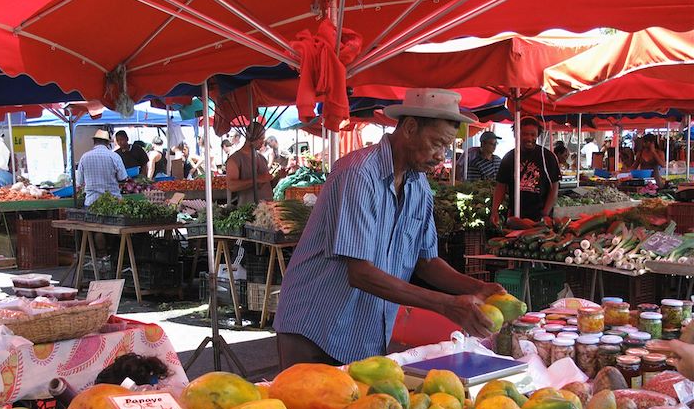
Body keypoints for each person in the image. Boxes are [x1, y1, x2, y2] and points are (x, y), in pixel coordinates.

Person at [273, 89, 506, 367]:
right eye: (435, 143)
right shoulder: (358, 174)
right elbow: (360, 273)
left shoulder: (419, 187)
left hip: (363, 332)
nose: (440, 156)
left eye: (445, 147)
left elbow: (427, 261)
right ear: (409, 128)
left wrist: (477, 288)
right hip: (314, 326)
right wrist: (446, 305)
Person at [491, 117, 561, 225]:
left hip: (541, 216)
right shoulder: (509, 157)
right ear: (516, 134)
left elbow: (554, 186)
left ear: (537, 135)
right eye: (524, 134)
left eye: (533, 134)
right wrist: (494, 210)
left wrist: (545, 213)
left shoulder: (548, 157)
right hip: (515, 216)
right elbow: (501, 186)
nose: (529, 138)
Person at [226, 122, 275, 206]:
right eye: (260, 139)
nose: (263, 142)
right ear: (251, 138)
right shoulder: (234, 159)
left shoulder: (262, 158)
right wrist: (257, 179)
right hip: (248, 210)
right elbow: (231, 185)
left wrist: (278, 177)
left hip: (268, 209)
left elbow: (266, 184)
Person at [77, 130, 128, 207]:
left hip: (91, 202)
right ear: (107, 143)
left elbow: (79, 182)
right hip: (113, 201)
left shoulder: (84, 157)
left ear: (94, 142)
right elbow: (122, 178)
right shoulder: (115, 156)